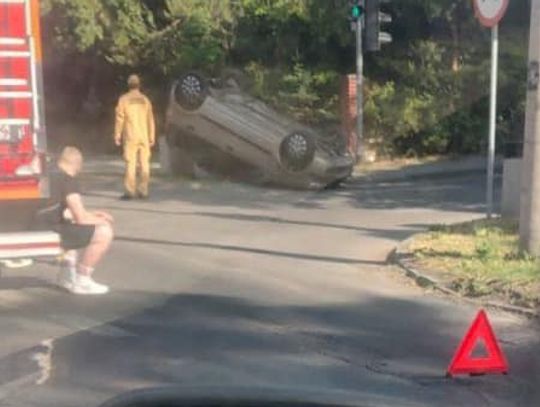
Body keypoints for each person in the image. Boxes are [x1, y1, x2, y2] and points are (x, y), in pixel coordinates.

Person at [34, 147, 113, 295]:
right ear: (77, 165)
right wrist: (100, 220)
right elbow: (81, 218)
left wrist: (92, 214)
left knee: (71, 225)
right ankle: (83, 279)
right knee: (104, 232)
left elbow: (63, 210)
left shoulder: (47, 174)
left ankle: (66, 275)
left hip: (34, 224)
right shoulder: (68, 180)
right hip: (49, 229)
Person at [114, 74, 155, 200]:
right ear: (139, 85)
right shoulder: (145, 100)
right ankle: (143, 190)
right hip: (144, 135)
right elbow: (150, 119)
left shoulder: (124, 99)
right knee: (145, 163)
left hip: (131, 135)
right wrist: (151, 135)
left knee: (130, 163)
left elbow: (120, 118)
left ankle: (129, 191)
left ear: (128, 85)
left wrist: (117, 134)